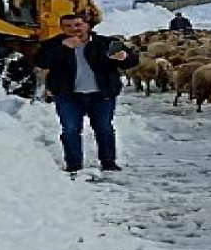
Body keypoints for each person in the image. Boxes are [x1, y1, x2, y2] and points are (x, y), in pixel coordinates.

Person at [34, 13, 139, 172]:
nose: (73, 29)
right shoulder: (53, 44)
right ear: (62, 28)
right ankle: (74, 165)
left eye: (77, 25)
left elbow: (131, 61)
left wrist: (124, 57)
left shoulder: (105, 43)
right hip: (68, 96)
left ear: (87, 26)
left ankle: (108, 163)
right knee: (70, 130)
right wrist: (63, 48)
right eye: (68, 26)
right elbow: (41, 61)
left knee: (104, 129)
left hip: (101, 94)